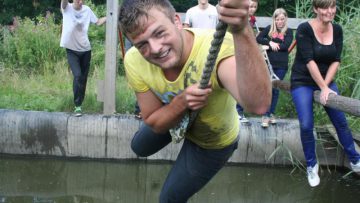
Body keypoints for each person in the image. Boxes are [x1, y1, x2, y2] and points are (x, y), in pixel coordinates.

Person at [119, 0, 271, 201]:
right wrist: (182, 102)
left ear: (177, 21)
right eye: (142, 44)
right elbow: (153, 121)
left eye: (159, 33)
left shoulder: (217, 49)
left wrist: (242, 30)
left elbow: (258, 105)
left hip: (213, 141)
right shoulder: (133, 60)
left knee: (168, 199)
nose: (155, 49)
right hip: (175, 113)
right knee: (139, 147)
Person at [290, 0, 360, 187]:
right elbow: (309, 61)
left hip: (326, 82)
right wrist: (322, 87)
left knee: (340, 121)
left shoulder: (337, 29)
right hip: (302, 81)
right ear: (315, 9)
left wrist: (325, 86)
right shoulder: (304, 29)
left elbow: (336, 60)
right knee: (306, 124)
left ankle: (355, 160)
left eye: (332, 6)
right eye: (324, 7)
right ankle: (312, 166)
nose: (330, 11)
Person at [60, 0, 106, 116]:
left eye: (82, 0)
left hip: (85, 50)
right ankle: (77, 105)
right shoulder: (66, 8)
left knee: (83, 79)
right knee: (78, 75)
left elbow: (98, 22)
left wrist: (110, 16)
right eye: (78, 0)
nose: (80, 2)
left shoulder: (87, 10)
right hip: (71, 50)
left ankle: (80, 105)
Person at [256, 8, 293, 128]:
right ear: (274, 20)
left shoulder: (289, 32)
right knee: (268, 88)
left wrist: (270, 46)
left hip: (281, 65)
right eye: (277, 19)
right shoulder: (269, 29)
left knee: (275, 89)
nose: (280, 22)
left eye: (282, 19)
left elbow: (285, 46)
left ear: (285, 19)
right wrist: (269, 43)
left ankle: (270, 113)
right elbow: (258, 38)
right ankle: (266, 115)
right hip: (268, 64)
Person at [236, 0, 259, 123]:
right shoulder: (241, 19)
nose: (251, 9)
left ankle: (240, 110)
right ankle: (237, 111)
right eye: (250, 6)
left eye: (254, 7)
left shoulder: (253, 21)